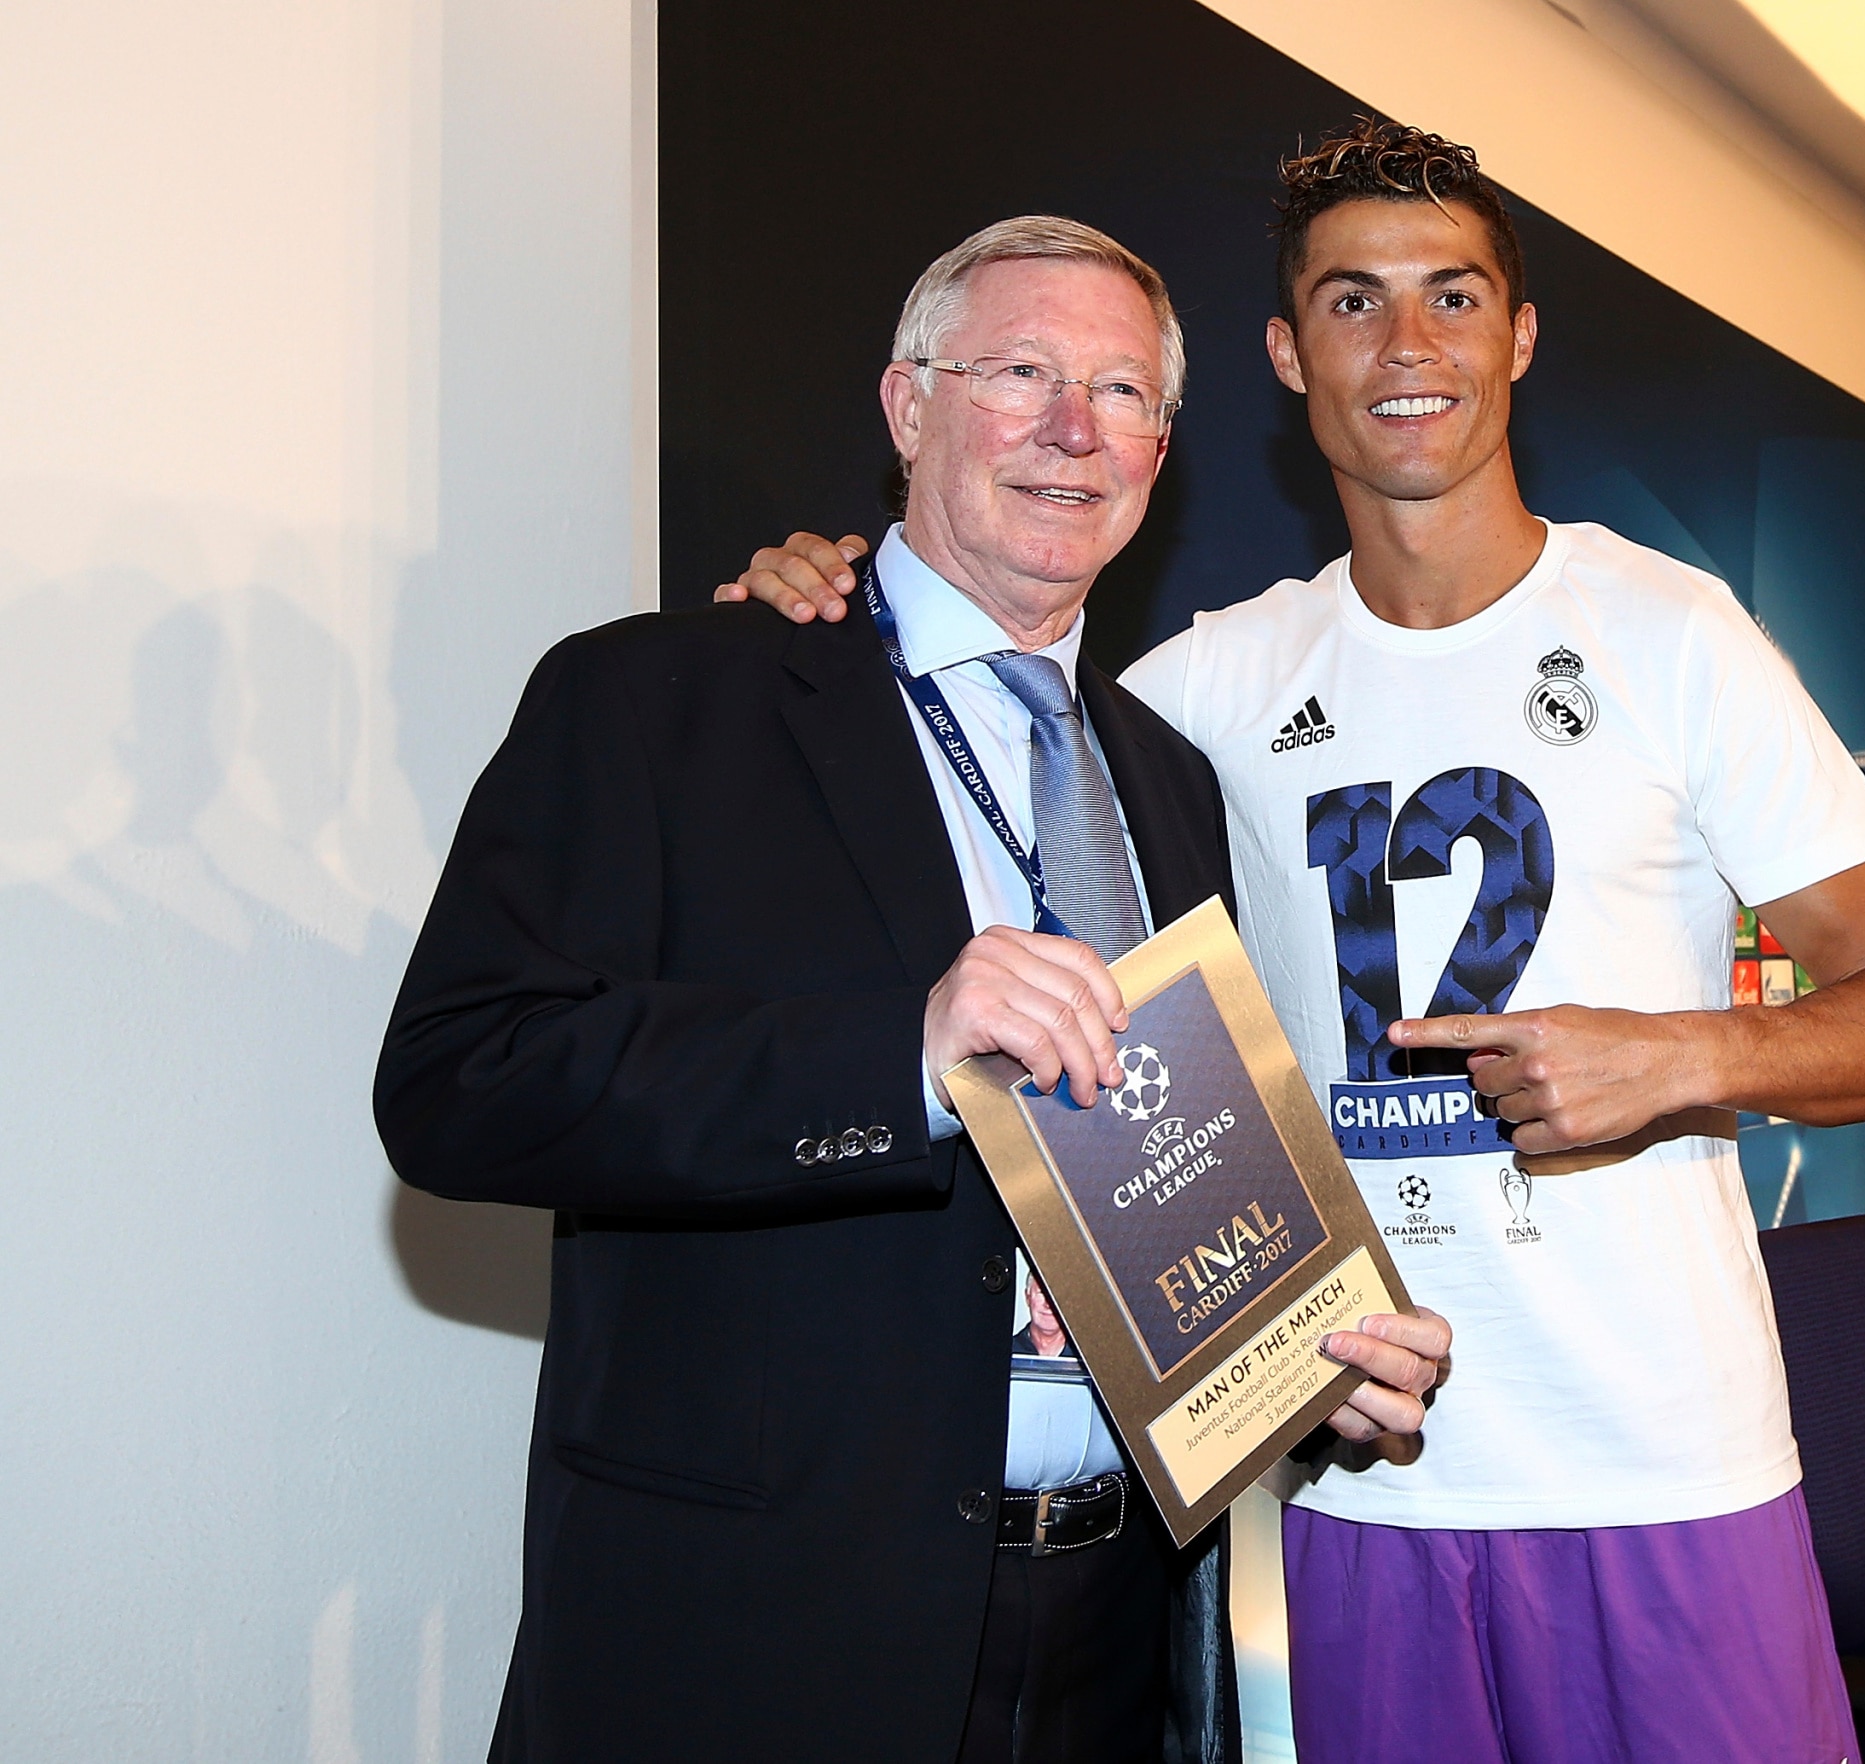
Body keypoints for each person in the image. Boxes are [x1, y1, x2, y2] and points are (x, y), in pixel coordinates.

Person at [727, 123, 1865, 1764]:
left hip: (1657, 1462)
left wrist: (1680, 1058)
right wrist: (823, 588)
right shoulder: (1200, 691)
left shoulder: (1672, 633)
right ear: (1283, 354)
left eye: (1454, 296)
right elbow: (962, 702)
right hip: (1352, 1468)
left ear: (1518, 335)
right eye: (1352, 301)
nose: (1407, 347)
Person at [377, 215, 1448, 1764]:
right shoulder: (664, 698)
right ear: (906, 407)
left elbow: (1147, 1167)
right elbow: (459, 1084)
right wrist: (901, 1053)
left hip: (1109, 1626)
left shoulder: (1166, 779)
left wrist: (1298, 1367)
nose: (1075, 430)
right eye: (1019, 373)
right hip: (763, 1622)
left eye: (1125, 391)